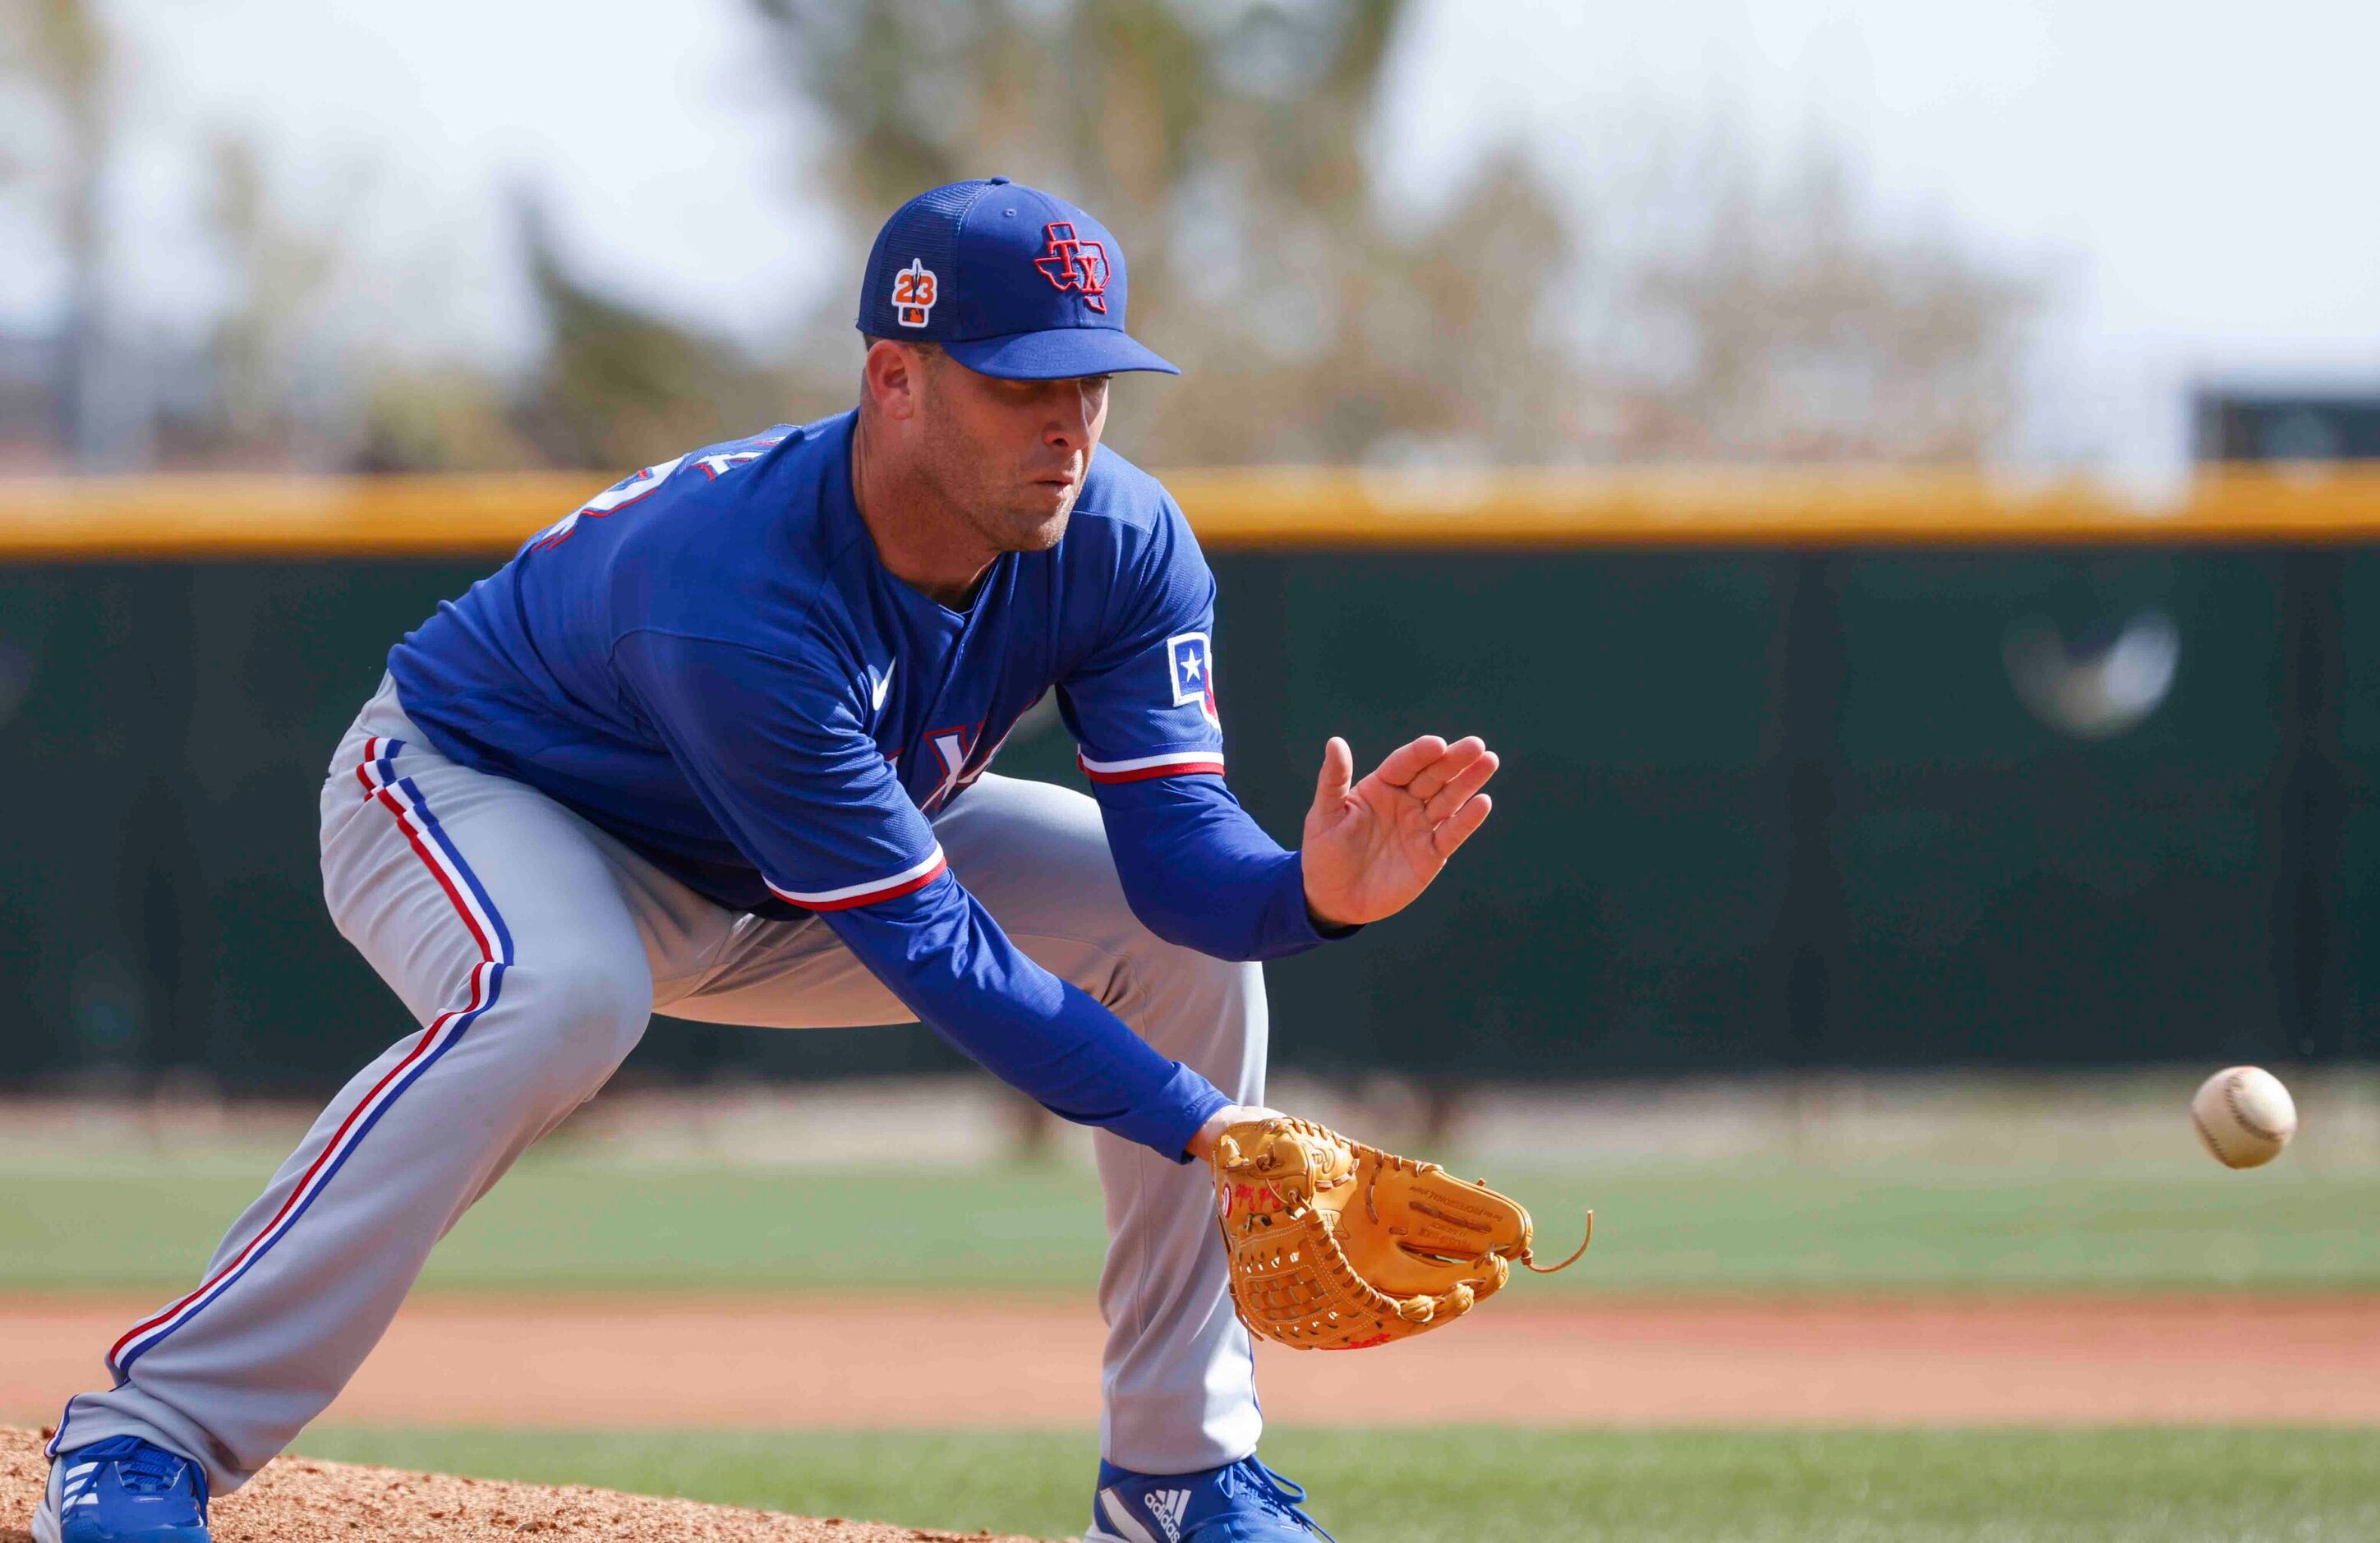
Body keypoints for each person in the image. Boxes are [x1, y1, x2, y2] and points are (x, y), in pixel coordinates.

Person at [35, 177, 1498, 1543]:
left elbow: (1178, 868)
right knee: (565, 992)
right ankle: (152, 1426)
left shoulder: (1118, 537)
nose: (1067, 424)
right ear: (894, 380)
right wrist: (1214, 1129)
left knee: (1184, 943)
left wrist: (1307, 897)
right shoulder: (736, 589)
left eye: (1089, 381)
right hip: (474, 797)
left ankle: (1182, 1469)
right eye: (1018, 382)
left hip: (784, 874)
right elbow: (934, 953)